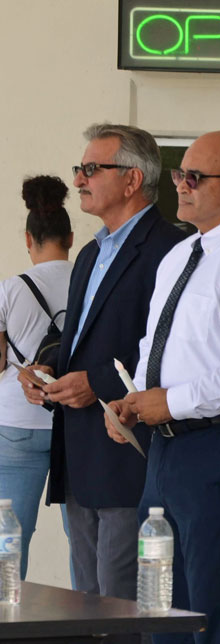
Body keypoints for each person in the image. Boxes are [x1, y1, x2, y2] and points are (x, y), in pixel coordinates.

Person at [104, 131, 220, 644]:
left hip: (219, 445)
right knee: (160, 608)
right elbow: (157, 345)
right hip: (163, 450)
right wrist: (133, 402)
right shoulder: (178, 254)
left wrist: (168, 401)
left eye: (195, 177)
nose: (182, 185)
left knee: (216, 606)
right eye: (179, 174)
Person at [19, 124, 187, 600]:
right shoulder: (92, 251)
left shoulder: (170, 248)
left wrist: (96, 381)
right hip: (78, 451)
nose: (79, 180)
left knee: (120, 605)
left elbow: (174, 345)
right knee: (87, 603)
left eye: (92, 169)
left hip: (129, 452)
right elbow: (70, 335)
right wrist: (46, 368)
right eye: (81, 169)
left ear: (132, 180)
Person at [0, 176, 73, 578]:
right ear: (71, 237)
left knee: (8, 539)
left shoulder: (9, 290)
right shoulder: (90, 284)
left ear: (29, 239)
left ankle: (7, 624)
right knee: (83, 540)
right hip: (76, 422)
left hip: (16, 425)